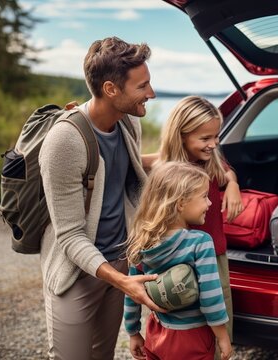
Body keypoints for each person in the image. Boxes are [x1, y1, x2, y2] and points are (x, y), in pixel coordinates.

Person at [39, 36, 165, 360]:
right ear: (111, 89)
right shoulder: (64, 141)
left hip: (118, 263)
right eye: (143, 86)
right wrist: (123, 281)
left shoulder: (128, 123)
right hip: (76, 273)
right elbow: (69, 236)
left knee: (103, 354)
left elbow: (128, 177)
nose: (151, 93)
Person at [143, 95, 242, 347]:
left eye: (216, 136)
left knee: (220, 319)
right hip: (174, 261)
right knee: (181, 328)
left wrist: (232, 184)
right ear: (181, 135)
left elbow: (226, 171)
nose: (213, 144)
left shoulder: (211, 161)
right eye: (205, 138)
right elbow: (136, 161)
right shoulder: (168, 170)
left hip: (212, 257)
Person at [124, 161, 233, 360]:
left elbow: (133, 293)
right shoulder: (200, 242)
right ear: (181, 203)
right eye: (204, 197)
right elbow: (211, 298)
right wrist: (223, 335)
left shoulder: (140, 242)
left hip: (156, 332)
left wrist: (133, 332)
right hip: (193, 337)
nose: (209, 203)